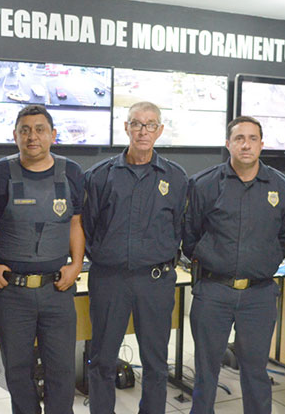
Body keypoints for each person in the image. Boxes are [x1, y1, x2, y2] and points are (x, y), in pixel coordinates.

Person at [182, 116, 285, 414]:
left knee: (256, 372)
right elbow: (190, 234)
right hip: (213, 291)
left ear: (262, 144)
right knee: (206, 372)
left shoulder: (281, 186)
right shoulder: (204, 184)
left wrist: (264, 262)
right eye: (239, 138)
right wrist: (210, 258)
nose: (246, 145)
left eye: (252, 138)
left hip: (259, 295)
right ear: (228, 143)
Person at [83, 101, 188, 414]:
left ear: (160, 130)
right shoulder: (100, 176)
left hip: (155, 281)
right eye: (137, 124)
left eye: (150, 124)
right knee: (102, 360)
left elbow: (180, 227)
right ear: (126, 127)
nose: (143, 131)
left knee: (156, 363)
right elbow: (87, 227)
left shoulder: (176, 177)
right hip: (109, 280)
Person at [0, 104, 85, 414]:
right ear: (15, 135)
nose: (32, 137)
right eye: (24, 130)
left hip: (57, 290)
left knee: (62, 369)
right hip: (12, 292)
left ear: (53, 135)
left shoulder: (71, 173)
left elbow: (76, 223)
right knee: (16, 370)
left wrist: (76, 265)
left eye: (40, 130)